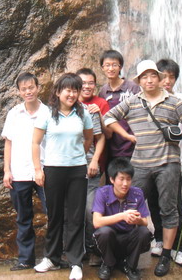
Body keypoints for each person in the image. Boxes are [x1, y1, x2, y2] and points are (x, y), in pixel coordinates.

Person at [103, 60, 182, 277]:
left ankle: (166, 254)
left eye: (153, 76)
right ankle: (124, 254)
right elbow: (108, 117)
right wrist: (126, 135)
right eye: (144, 77)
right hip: (140, 165)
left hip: (167, 165)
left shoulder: (175, 102)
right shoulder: (132, 102)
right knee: (130, 207)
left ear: (159, 78)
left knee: (169, 209)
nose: (149, 80)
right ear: (139, 81)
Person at [32, 73, 94, 280]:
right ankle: (52, 258)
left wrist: (78, 155)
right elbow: (35, 143)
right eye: (68, 90)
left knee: (76, 217)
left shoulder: (83, 113)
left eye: (75, 90)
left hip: (77, 170)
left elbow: (89, 138)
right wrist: (38, 169)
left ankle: (75, 262)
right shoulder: (47, 114)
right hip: (53, 169)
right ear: (58, 92)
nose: (72, 94)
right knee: (55, 215)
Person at [147, 59, 182, 266]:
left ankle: (178, 247)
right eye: (164, 76)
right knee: (153, 201)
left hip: (171, 161)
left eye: (172, 77)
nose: (167, 81)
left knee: (174, 204)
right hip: (149, 159)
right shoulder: (147, 97)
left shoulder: (181, 99)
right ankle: (159, 238)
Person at [2, 72, 50, 271]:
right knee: (23, 217)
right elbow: (8, 142)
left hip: (44, 171)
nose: (28, 91)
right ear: (19, 92)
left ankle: (53, 256)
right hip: (19, 172)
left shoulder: (48, 112)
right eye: (24, 89)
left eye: (31, 87)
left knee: (53, 213)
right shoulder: (14, 113)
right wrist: (7, 170)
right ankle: (25, 259)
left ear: (38, 88)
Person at [93, 158, 152, 280]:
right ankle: (108, 264)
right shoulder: (102, 193)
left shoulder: (137, 194)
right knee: (104, 232)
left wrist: (137, 220)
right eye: (121, 179)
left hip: (128, 238)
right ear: (112, 179)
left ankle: (130, 266)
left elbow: (145, 222)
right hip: (109, 240)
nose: (125, 184)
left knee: (144, 232)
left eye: (128, 179)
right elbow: (96, 222)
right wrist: (122, 216)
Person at [76, 68, 109, 266]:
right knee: (74, 211)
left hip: (91, 166)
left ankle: (93, 248)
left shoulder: (96, 107)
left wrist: (95, 160)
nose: (87, 86)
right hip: (70, 166)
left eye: (91, 83)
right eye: (83, 83)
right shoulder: (65, 106)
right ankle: (76, 250)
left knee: (91, 209)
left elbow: (104, 136)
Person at [98, 50, 140, 173]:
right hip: (113, 147)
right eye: (107, 65)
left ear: (120, 67)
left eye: (114, 65)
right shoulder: (103, 92)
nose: (111, 68)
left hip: (133, 144)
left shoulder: (132, 87)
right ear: (102, 68)